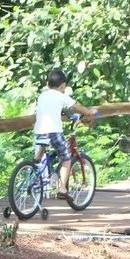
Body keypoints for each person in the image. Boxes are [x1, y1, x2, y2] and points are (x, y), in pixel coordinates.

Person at [33, 68, 98, 200]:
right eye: (64, 88)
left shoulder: (42, 96)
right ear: (62, 86)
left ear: (48, 84)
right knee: (67, 157)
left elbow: (55, 109)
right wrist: (90, 112)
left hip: (39, 131)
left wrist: (67, 115)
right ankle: (62, 188)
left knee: (45, 144)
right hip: (53, 131)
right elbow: (77, 107)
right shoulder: (60, 96)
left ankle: (36, 162)